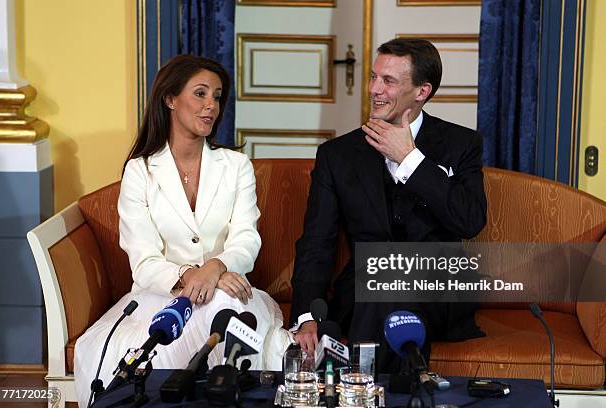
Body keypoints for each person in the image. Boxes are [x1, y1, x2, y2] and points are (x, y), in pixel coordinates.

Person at [74, 55, 291, 407]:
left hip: (226, 288)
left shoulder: (236, 167)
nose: (211, 106)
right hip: (160, 296)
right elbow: (142, 260)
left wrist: (214, 269)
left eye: (217, 97)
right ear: (170, 99)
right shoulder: (140, 172)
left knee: (226, 309)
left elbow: (246, 239)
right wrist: (194, 275)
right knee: (154, 345)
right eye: (201, 94)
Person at [290, 38, 487, 372]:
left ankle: (360, 390)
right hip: (362, 295)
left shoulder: (461, 144)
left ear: (422, 91)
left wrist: (409, 159)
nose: (374, 89)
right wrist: (307, 316)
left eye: (389, 81)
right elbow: (316, 242)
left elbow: (469, 220)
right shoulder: (337, 155)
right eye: (373, 77)